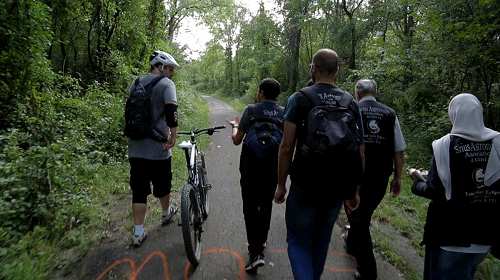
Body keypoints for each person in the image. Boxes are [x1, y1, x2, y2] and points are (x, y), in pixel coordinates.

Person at [274, 48, 364, 280]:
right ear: (338, 71)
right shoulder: (350, 102)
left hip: (305, 183)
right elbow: (359, 150)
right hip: (336, 187)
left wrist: (281, 184)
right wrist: (353, 189)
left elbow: (286, 146)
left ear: (313, 68)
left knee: (298, 240)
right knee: (321, 239)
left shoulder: (300, 98)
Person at [410, 93, 500, 280]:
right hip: (485, 237)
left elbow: (433, 190)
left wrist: (417, 181)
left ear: (454, 114)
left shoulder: (444, 145)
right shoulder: (497, 143)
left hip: (449, 236)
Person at [344, 79, 406, 280]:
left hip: (355, 175)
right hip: (380, 176)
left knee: (359, 219)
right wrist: (398, 177)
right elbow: (399, 150)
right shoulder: (389, 113)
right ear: (375, 92)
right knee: (363, 214)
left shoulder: (350, 108)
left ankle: (368, 271)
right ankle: (352, 244)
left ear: (357, 93)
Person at [229, 78, 284, 273]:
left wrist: (234, 126)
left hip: (250, 166)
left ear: (260, 92)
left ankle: (254, 252)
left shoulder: (251, 110)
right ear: (277, 95)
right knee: (266, 204)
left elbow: (237, 141)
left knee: (250, 207)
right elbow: (286, 145)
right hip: (272, 167)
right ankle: (262, 243)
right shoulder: (283, 112)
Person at [126, 50, 180, 247]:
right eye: (170, 68)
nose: (172, 73)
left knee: (139, 190)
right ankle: (166, 214)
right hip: (159, 146)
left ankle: (138, 232)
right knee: (163, 183)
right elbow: (171, 112)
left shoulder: (135, 82)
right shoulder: (167, 84)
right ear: (160, 66)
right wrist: (173, 137)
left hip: (136, 147)